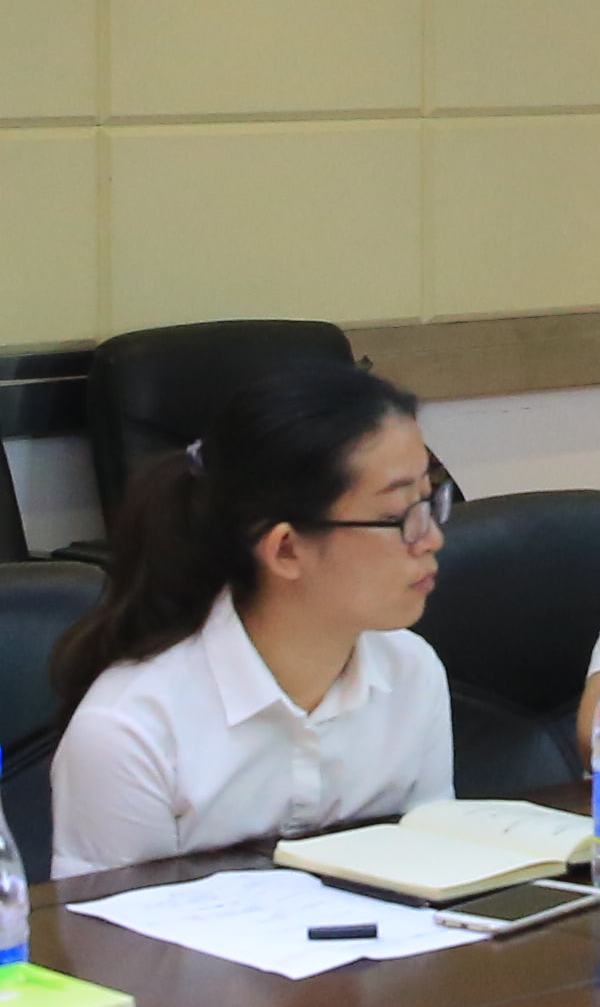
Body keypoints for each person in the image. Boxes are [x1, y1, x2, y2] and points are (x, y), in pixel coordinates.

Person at [46, 357, 459, 871]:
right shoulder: (129, 731)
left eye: (429, 501)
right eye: (398, 517)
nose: (431, 538)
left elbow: (433, 872)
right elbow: (105, 923)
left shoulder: (411, 671)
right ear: (286, 549)